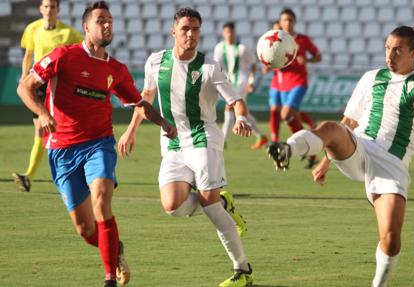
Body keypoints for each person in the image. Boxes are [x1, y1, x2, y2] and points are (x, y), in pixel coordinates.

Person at [268, 26, 414, 287]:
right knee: (333, 126)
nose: (390, 54)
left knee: (390, 238)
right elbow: (348, 121)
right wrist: (325, 161)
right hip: (360, 146)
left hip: (391, 165)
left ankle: (379, 284)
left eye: (398, 50)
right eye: (388, 48)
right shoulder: (371, 77)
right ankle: (288, 148)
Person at [16, 2, 176, 286]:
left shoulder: (116, 69)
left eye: (110, 20)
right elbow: (25, 86)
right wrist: (42, 114)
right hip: (61, 150)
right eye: (101, 20)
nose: (108, 25)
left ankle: (108, 280)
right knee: (85, 228)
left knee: (102, 198)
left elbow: (138, 102)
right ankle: (116, 251)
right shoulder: (63, 56)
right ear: (86, 27)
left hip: (98, 144)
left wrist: (163, 122)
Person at [117, 7, 255, 287]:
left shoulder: (209, 66)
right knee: (172, 206)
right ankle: (222, 200)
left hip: (203, 136)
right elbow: (145, 98)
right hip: (172, 142)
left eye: (195, 29)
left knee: (210, 205)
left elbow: (235, 99)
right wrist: (130, 131)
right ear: (173, 32)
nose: (191, 34)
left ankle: (243, 270)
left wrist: (240, 117)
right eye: (185, 29)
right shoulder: (156, 62)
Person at [13, 0, 83, 192]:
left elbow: (81, 55)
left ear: (58, 10)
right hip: (38, 85)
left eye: (53, 7)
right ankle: (29, 176)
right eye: (46, 6)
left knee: (63, 129)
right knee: (41, 130)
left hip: (59, 86)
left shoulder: (69, 33)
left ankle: (88, 168)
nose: (49, 10)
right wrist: (24, 76)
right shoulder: (33, 29)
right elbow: (28, 54)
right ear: (40, 9)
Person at [267, 9, 322, 168]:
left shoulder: (303, 39)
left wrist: (308, 61)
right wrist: (268, 64)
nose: (288, 23)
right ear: (281, 22)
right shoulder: (276, 40)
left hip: (299, 82)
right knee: (292, 118)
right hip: (282, 83)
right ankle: (311, 152)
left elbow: (319, 56)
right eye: (285, 20)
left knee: (284, 113)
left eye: (290, 20)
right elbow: (271, 57)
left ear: (294, 22)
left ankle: (281, 144)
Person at [214, 21, 268, 149]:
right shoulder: (219, 48)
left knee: (230, 107)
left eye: (231, 32)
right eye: (226, 32)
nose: (229, 35)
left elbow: (254, 65)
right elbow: (216, 66)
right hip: (229, 82)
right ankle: (261, 136)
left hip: (242, 82)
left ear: (234, 33)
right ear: (223, 33)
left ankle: (222, 141)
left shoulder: (242, 48)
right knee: (243, 113)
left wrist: (251, 82)